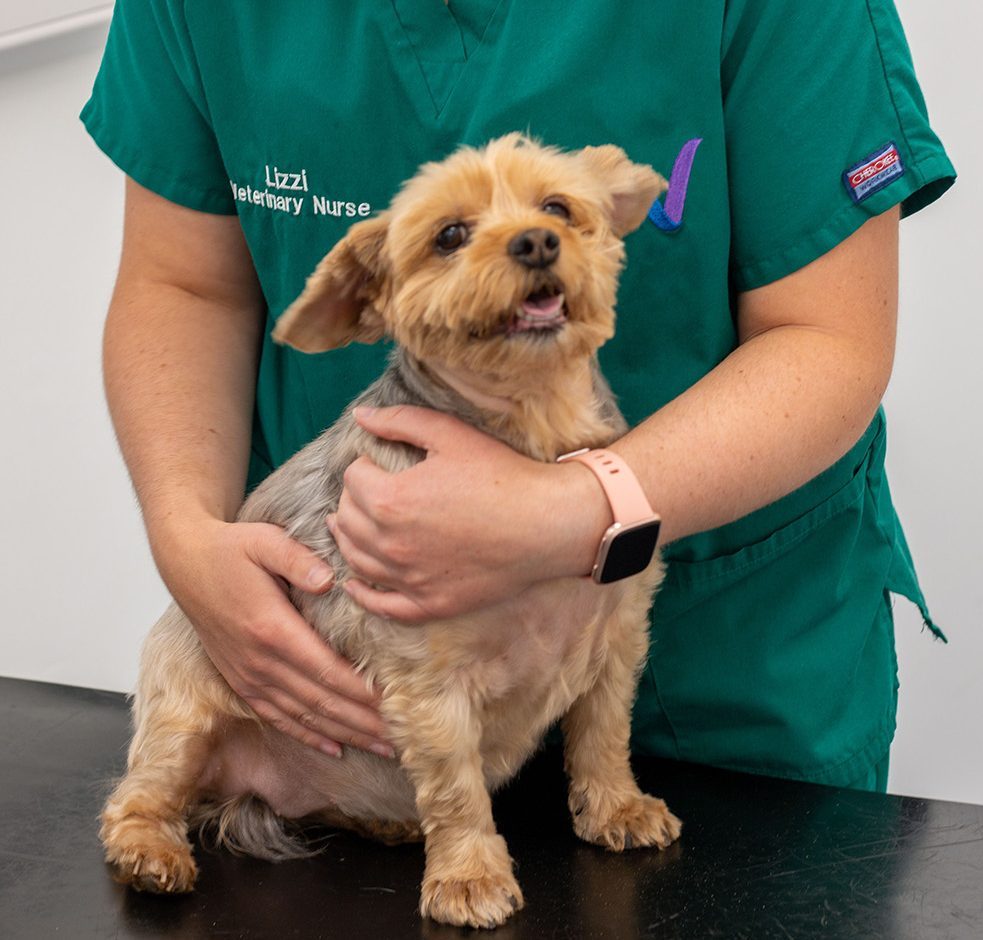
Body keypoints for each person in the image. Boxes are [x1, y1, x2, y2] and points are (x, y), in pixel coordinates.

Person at [82, 1, 954, 790]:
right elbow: (186, 286)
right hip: (347, 688)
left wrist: (572, 513)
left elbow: (826, 336)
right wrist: (186, 533)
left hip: (715, 678)